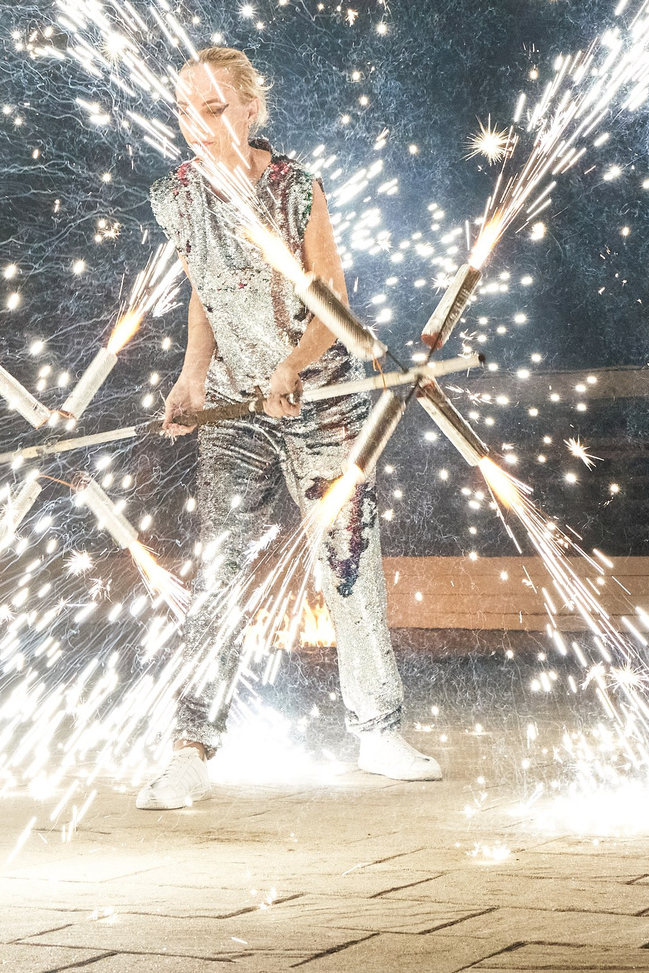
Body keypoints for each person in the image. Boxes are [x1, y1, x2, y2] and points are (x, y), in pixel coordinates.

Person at [134, 47, 438, 810]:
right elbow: (204, 290)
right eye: (185, 110)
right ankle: (189, 747)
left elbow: (332, 297)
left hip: (324, 403)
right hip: (237, 411)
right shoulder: (177, 197)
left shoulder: (296, 189)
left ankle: (378, 729)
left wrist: (296, 367)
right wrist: (191, 377)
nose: (197, 126)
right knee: (220, 572)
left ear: (249, 109)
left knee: (348, 561)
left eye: (214, 109)